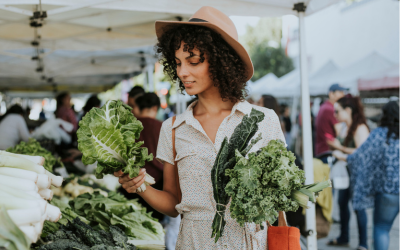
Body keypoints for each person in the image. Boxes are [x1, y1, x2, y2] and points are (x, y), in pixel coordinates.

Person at [114, 6, 285, 249]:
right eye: (178, 63)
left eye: (193, 61)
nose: (183, 72)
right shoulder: (173, 128)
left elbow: (280, 196)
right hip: (194, 242)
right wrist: (139, 185)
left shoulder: (264, 120)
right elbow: (174, 202)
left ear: (221, 60)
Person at [333, 101, 399, 250]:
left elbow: (360, 155)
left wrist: (342, 155)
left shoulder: (379, 134)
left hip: (387, 191)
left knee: (381, 229)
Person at [326, 95, 370, 250]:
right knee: (342, 203)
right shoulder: (345, 127)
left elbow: (362, 152)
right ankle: (344, 237)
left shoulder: (360, 128)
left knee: (358, 207)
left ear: (348, 110)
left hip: (358, 173)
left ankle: (363, 244)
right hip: (345, 172)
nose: (335, 115)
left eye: (337, 111)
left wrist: (340, 149)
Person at [315, 83, 347, 162]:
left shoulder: (324, 107)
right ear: (331, 94)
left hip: (323, 151)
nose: (343, 95)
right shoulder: (330, 109)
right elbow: (340, 132)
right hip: (328, 152)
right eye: (340, 92)